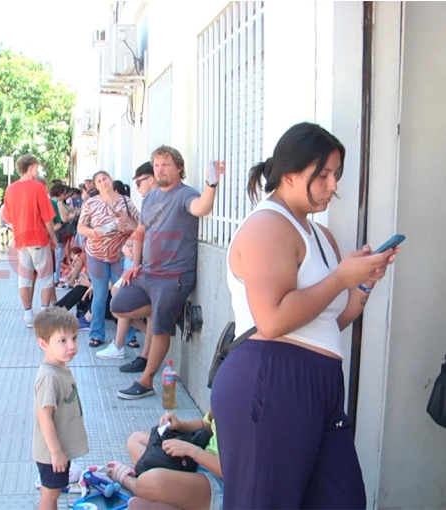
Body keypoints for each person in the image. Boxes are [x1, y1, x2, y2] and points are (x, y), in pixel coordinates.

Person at [210, 122, 398, 509]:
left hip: (319, 383)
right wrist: (340, 277)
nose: (333, 185)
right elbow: (273, 320)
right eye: (323, 175)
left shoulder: (319, 235)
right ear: (290, 175)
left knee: (341, 500)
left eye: (336, 174)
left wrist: (361, 286)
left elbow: (324, 323)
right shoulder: (268, 226)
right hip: (272, 377)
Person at [111, 146, 225, 400]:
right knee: (118, 305)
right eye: (157, 165)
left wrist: (211, 183)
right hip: (148, 273)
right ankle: (167, 312)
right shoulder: (150, 197)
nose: (160, 169)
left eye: (166, 164)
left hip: (174, 276)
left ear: (179, 168)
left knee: (160, 328)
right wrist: (136, 265)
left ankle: (147, 381)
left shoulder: (186, 194)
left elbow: (201, 207)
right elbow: (140, 232)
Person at [106, 410, 223, 510]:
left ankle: (132, 483)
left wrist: (192, 451)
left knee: (151, 480)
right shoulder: (223, 390)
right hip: (197, 461)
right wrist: (181, 425)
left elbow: (232, 472)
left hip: (222, 481)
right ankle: (170, 501)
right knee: (136, 440)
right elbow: (206, 424)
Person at [32, 307, 89, 510]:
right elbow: (44, 417)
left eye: (74, 338)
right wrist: (56, 452)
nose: (72, 346)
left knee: (54, 490)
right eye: (62, 341)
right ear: (43, 344)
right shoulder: (49, 376)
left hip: (58, 448)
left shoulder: (59, 367)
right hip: (51, 452)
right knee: (50, 494)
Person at [77, 171, 139, 348]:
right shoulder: (91, 203)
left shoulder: (125, 201)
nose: (103, 182)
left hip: (118, 255)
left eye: (105, 179)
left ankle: (129, 335)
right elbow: (81, 227)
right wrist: (93, 232)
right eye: (99, 181)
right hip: (96, 255)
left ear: (111, 180)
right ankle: (96, 334)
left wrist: (126, 224)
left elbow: (140, 225)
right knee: (100, 294)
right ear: (95, 186)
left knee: (122, 294)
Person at [111, 162, 161, 371]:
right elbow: (139, 234)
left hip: (158, 269)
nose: (137, 187)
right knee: (118, 300)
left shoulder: (163, 201)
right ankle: (136, 349)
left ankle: (141, 355)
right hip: (143, 266)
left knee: (121, 300)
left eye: (139, 182)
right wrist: (130, 251)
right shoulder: (149, 202)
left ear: (151, 179)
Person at [2, 154, 58, 327]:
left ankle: (27, 315)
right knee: (46, 278)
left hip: (21, 239)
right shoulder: (38, 187)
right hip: (39, 238)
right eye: (37, 167)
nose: (37, 170)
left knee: (24, 279)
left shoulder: (10, 189)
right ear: (31, 166)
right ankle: (43, 313)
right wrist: (53, 238)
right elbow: (47, 216)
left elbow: (7, 215)